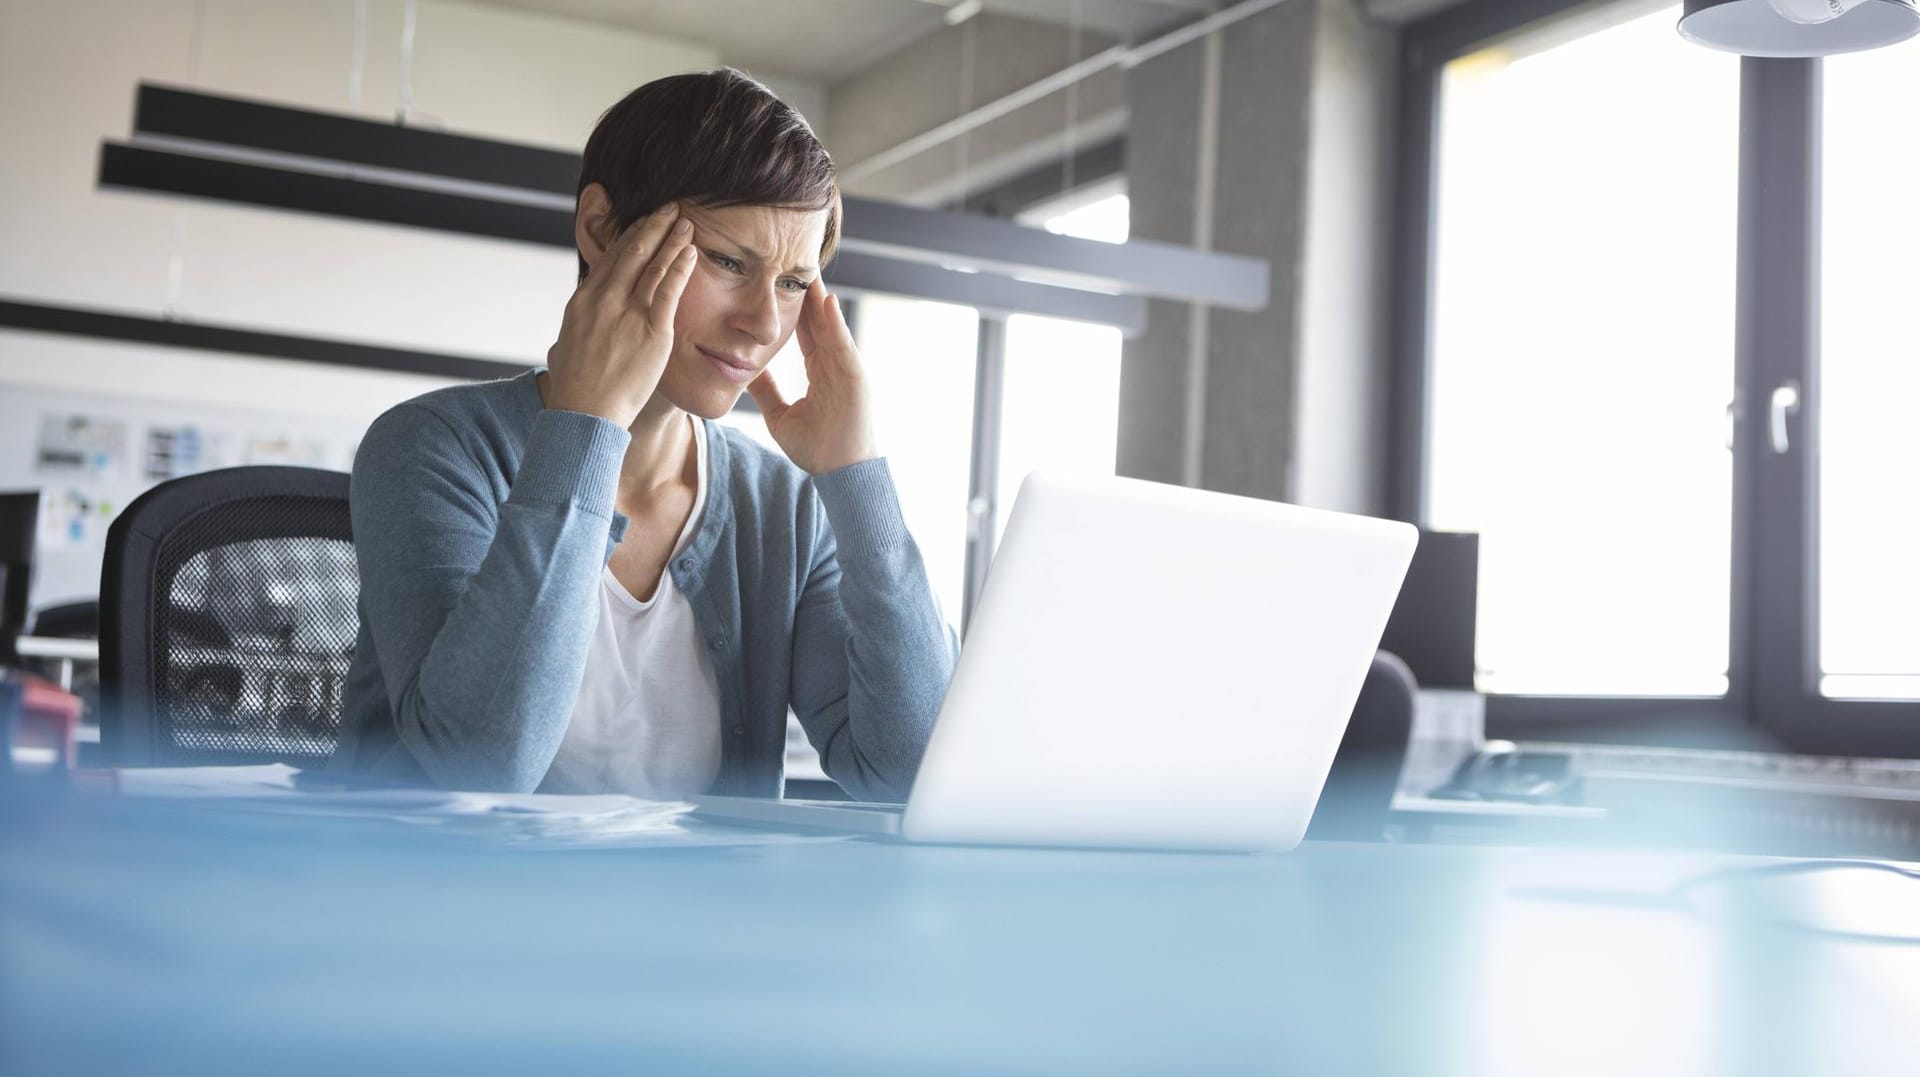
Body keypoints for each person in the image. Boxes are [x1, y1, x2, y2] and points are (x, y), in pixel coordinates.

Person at [332, 69, 957, 801]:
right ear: (601, 229)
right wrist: (588, 429)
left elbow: (911, 773)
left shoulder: (784, 505)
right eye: (729, 262)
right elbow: (480, 765)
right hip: (448, 909)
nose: (763, 323)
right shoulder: (433, 447)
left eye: (794, 282)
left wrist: (856, 478)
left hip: (694, 916)